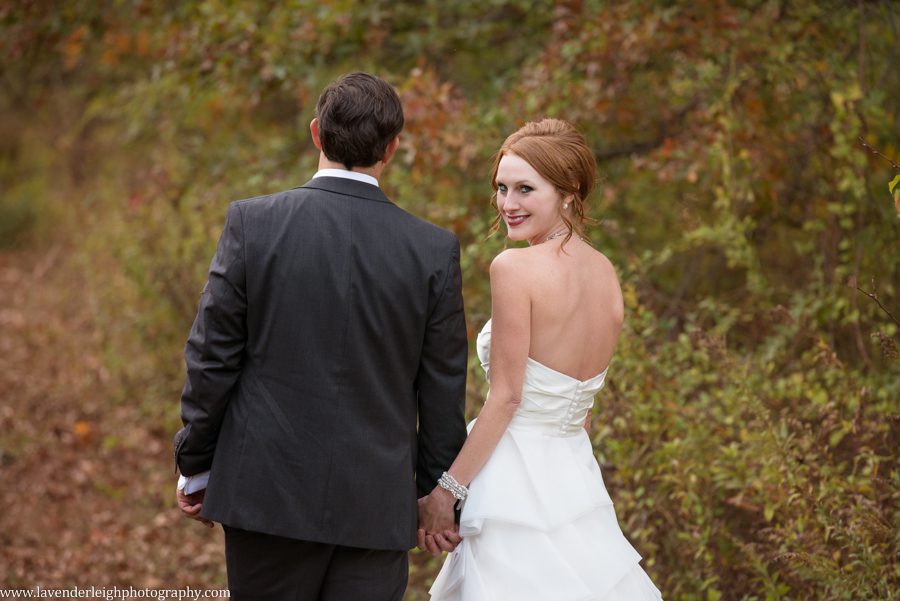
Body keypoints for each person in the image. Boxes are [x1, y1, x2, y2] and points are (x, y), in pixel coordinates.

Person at [173, 72, 467, 601]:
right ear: (392, 148)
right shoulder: (432, 250)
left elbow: (211, 358)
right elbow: (443, 388)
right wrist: (434, 491)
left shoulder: (253, 224)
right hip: (376, 503)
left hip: (266, 494)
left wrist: (195, 461)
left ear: (316, 134)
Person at [422, 119, 664, 600]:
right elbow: (583, 409)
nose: (508, 204)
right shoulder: (606, 275)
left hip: (513, 479)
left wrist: (446, 492)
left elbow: (508, 398)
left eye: (526, 190)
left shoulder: (513, 268)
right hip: (574, 476)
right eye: (502, 188)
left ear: (568, 192)